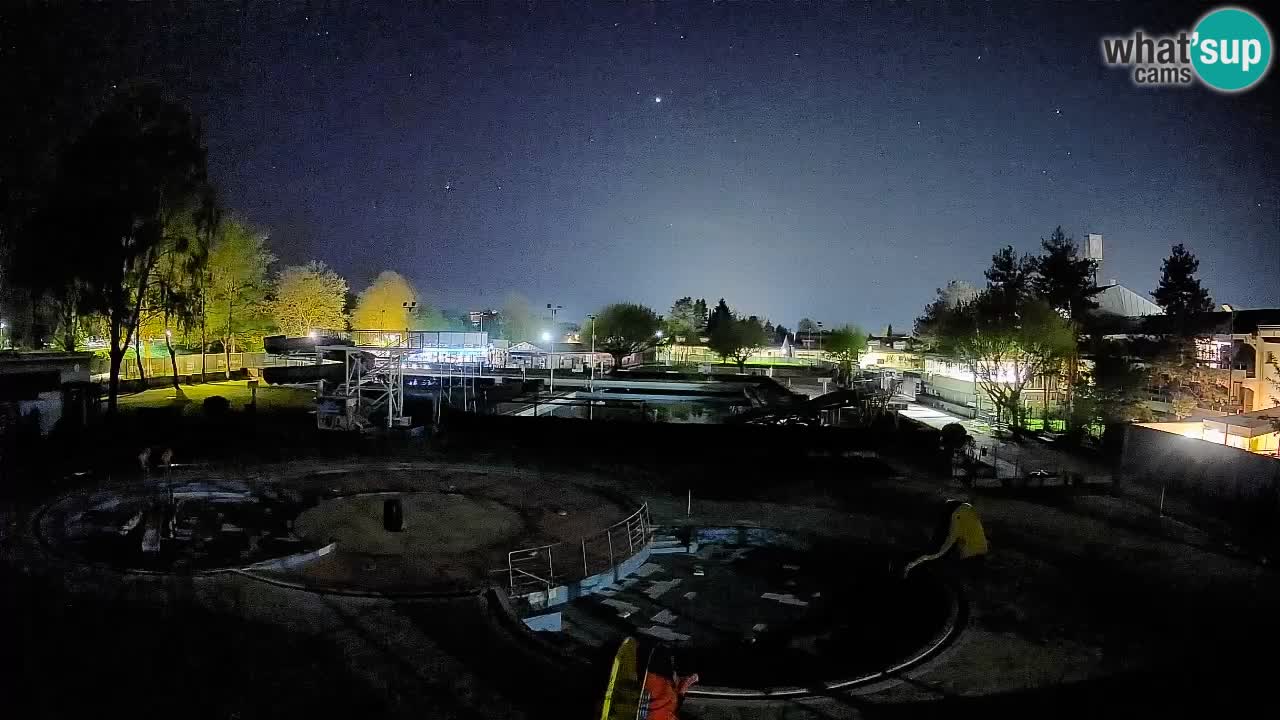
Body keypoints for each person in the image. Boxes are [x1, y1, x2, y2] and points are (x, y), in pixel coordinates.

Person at [639, 648, 697, 720]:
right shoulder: (675, 708)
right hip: (661, 678)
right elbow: (679, 699)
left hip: (652, 677)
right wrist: (684, 686)